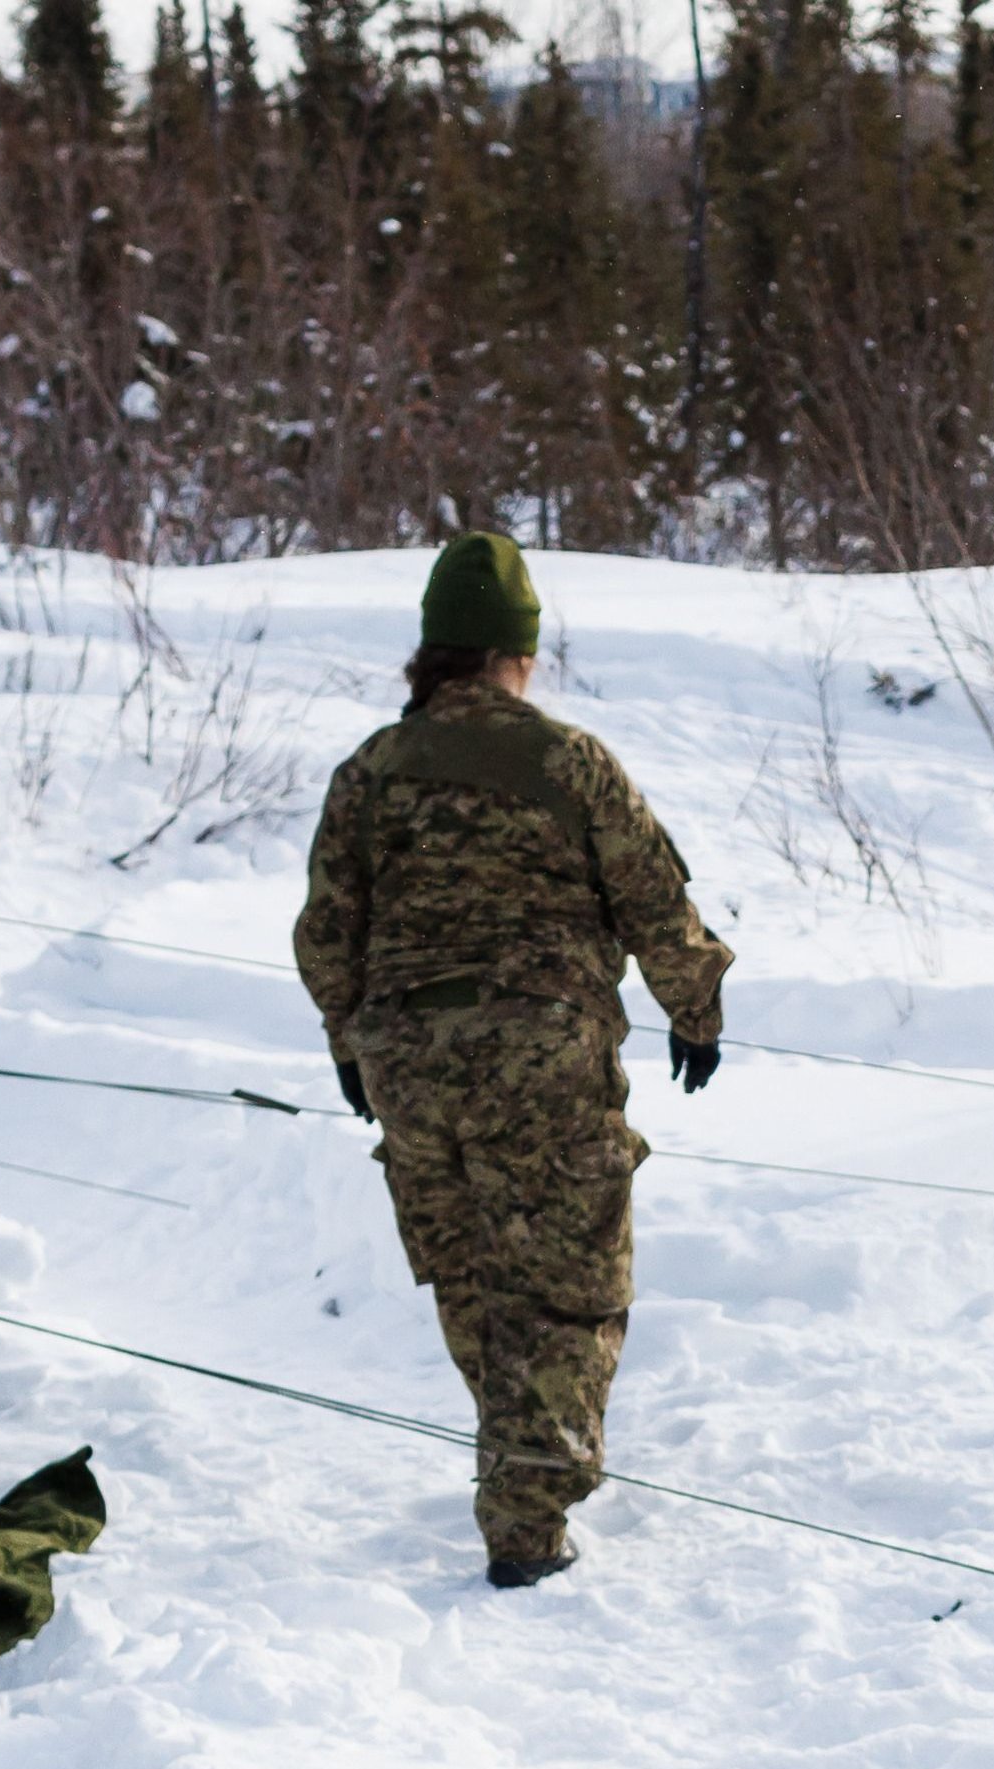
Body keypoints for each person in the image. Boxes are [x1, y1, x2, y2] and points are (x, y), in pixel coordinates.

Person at [293, 532, 735, 1589]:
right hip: (541, 1060)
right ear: (517, 654)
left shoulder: (373, 771)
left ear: (434, 651)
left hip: (408, 1060)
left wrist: (351, 1043)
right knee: (570, 1286)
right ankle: (527, 1518)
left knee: (477, 1278)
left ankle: (517, 1464)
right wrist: (697, 1011)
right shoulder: (567, 762)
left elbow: (325, 934)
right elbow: (654, 903)